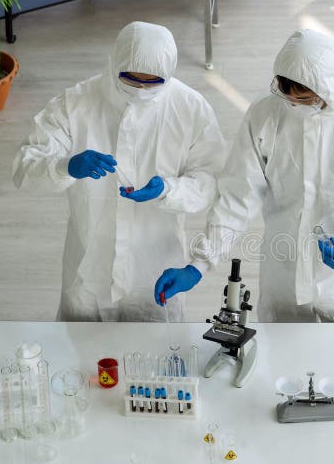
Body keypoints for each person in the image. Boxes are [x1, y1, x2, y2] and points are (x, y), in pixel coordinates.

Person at [154, 29, 334, 323]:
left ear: (328, 89)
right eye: (287, 96)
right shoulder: (265, 115)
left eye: (304, 99)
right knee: (281, 352)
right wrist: (199, 264)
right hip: (285, 281)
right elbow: (238, 197)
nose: (294, 105)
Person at [12, 21, 228, 322]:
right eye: (130, 79)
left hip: (155, 269)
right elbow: (24, 167)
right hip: (90, 268)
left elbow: (211, 181)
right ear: (115, 64)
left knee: (156, 346)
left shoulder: (191, 109)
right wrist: (65, 166)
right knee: (83, 347)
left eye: (151, 83)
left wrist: (168, 189)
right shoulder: (75, 104)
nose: (140, 90)